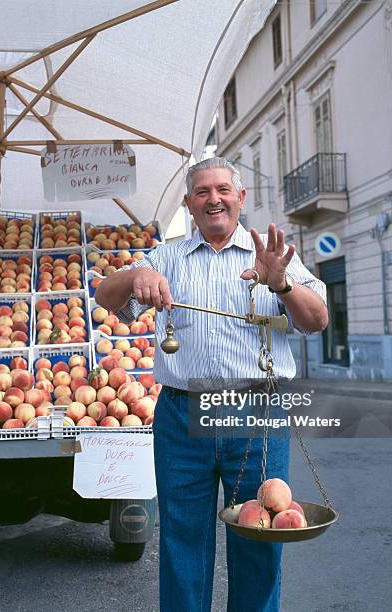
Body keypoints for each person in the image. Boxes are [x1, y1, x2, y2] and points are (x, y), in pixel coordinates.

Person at [95, 157, 328, 612]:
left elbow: (317, 319)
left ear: (240, 198)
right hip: (182, 415)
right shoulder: (166, 256)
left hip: (256, 413)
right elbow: (106, 297)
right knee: (183, 540)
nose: (213, 199)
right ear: (188, 203)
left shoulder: (273, 255)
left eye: (223, 190)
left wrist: (281, 285)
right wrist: (136, 274)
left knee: (260, 535)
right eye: (202, 192)